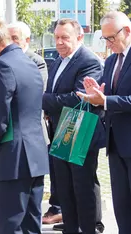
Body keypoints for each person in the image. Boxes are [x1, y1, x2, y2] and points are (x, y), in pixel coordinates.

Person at [0, 17, 49, 234]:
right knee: (30, 226)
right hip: (34, 155)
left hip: (12, 158)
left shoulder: (1, 65)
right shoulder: (30, 62)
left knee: (9, 226)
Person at [43, 18, 105, 234]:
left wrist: (42, 100)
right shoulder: (58, 61)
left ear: (79, 37)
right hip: (61, 130)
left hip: (80, 129)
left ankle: (88, 227)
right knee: (64, 186)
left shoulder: (89, 61)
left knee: (82, 185)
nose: (59, 42)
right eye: (56, 37)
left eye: (64, 38)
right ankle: (71, 226)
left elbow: (78, 99)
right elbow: (56, 92)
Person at [77, 11, 131, 234]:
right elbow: (107, 95)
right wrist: (95, 96)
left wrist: (106, 100)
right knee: (122, 205)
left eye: (111, 38)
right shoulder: (110, 61)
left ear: (127, 31)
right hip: (116, 144)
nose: (108, 44)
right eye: (105, 39)